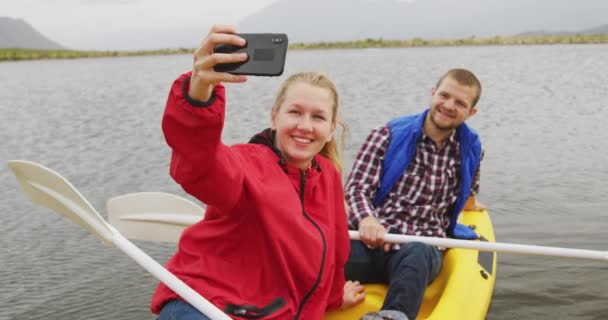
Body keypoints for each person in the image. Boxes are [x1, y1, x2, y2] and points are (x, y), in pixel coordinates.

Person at [150, 25, 366, 319]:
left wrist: (334, 298)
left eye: (317, 117)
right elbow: (198, 163)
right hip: (202, 305)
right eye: (294, 112)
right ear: (274, 117)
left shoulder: (327, 175)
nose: (305, 125)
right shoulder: (246, 163)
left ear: (330, 130)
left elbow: (336, 253)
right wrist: (199, 92)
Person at [344, 68, 486, 320]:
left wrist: (474, 206)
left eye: (460, 103)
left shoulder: (471, 148)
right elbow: (357, 188)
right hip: (371, 241)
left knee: (417, 252)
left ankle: (392, 316)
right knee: (318, 253)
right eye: (444, 95)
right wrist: (368, 220)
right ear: (433, 93)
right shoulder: (386, 135)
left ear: (471, 112)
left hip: (420, 249)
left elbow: (469, 191)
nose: (449, 105)